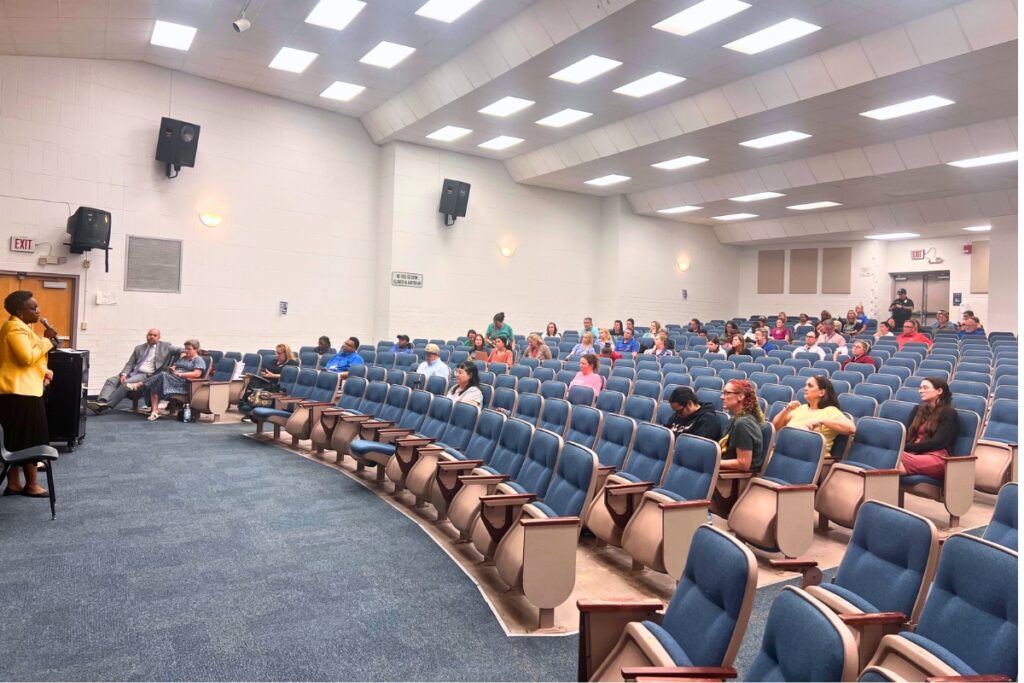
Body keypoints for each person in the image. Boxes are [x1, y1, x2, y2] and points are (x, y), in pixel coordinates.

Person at [0, 291, 58, 497]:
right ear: (19, 311)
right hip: (21, 395)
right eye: (33, 308)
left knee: (15, 439)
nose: (38, 311)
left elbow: (24, 362)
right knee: (31, 440)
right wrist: (47, 340)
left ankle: (14, 484)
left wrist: (45, 371)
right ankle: (31, 485)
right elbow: (26, 358)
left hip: (18, 392)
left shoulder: (21, 327)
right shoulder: (15, 328)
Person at [88, 328, 181, 414]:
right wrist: (124, 374)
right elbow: (130, 363)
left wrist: (177, 362)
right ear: (147, 336)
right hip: (133, 372)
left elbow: (185, 350)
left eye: (154, 335)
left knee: (126, 383)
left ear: (159, 337)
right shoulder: (139, 348)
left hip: (146, 375)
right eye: (150, 334)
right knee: (111, 380)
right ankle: (101, 401)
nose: (152, 337)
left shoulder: (166, 346)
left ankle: (106, 405)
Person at [772, 376, 855, 455]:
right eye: (805, 385)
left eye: (810, 386)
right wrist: (786, 410)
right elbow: (776, 426)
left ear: (821, 392)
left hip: (810, 459)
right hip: (785, 453)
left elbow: (851, 429)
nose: (805, 388)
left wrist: (822, 421)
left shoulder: (831, 411)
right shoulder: (801, 408)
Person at [898, 378, 959, 479]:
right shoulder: (917, 410)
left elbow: (937, 443)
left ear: (939, 391)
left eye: (925, 388)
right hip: (914, 454)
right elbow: (908, 436)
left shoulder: (949, 413)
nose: (921, 391)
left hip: (936, 457)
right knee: (892, 460)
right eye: (920, 388)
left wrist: (905, 448)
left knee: (892, 457)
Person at [132, 339, 206, 421]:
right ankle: (154, 411)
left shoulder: (198, 360)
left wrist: (180, 374)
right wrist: (173, 368)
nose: (186, 351)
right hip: (173, 379)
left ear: (196, 349)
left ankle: (140, 384)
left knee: (162, 374)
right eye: (185, 348)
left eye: (189, 349)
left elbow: (196, 374)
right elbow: (175, 365)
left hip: (183, 383)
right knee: (156, 384)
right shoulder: (184, 357)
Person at [719, 380, 764, 471]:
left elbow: (743, 463)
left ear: (740, 396)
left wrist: (713, 462)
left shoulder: (743, 424)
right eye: (722, 393)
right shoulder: (735, 420)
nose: (722, 397)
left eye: (727, 393)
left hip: (734, 479)